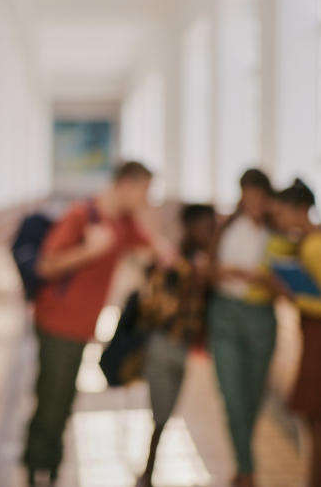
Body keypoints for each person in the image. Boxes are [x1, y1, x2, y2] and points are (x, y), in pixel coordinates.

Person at [23, 161, 158, 486]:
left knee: (62, 396)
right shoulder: (81, 216)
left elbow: (154, 248)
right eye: (143, 191)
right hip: (57, 321)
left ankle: (43, 462)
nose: (145, 200)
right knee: (54, 398)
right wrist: (89, 250)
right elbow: (45, 265)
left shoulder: (123, 222)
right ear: (125, 184)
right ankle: (39, 468)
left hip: (82, 326)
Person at [207, 169, 291, 487]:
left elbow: (291, 285)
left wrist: (266, 280)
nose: (253, 203)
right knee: (231, 395)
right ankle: (249, 471)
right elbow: (209, 271)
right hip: (225, 313)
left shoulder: (279, 234)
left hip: (261, 317)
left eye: (259, 198)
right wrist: (222, 271)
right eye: (247, 197)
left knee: (253, 396)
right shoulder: (228, 227)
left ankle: (242, 464)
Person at [270, 179, 321, 487]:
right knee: (312, 418)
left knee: (314, 417)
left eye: (281, 212)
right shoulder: (311, 241)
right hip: (318, 339)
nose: (277, 219)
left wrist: (293, 296)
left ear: (299, 210)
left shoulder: (318, 246)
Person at [134, 204, 216, 487]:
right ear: (190, 229)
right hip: (163, 345)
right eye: (205, 227)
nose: (210, 233)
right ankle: (147, 473)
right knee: (160, 413)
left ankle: (148, 471)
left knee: (166, 414)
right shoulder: (176, 263)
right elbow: (160, 307)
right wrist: (193, 278)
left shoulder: (203, 261)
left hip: (181, 348)